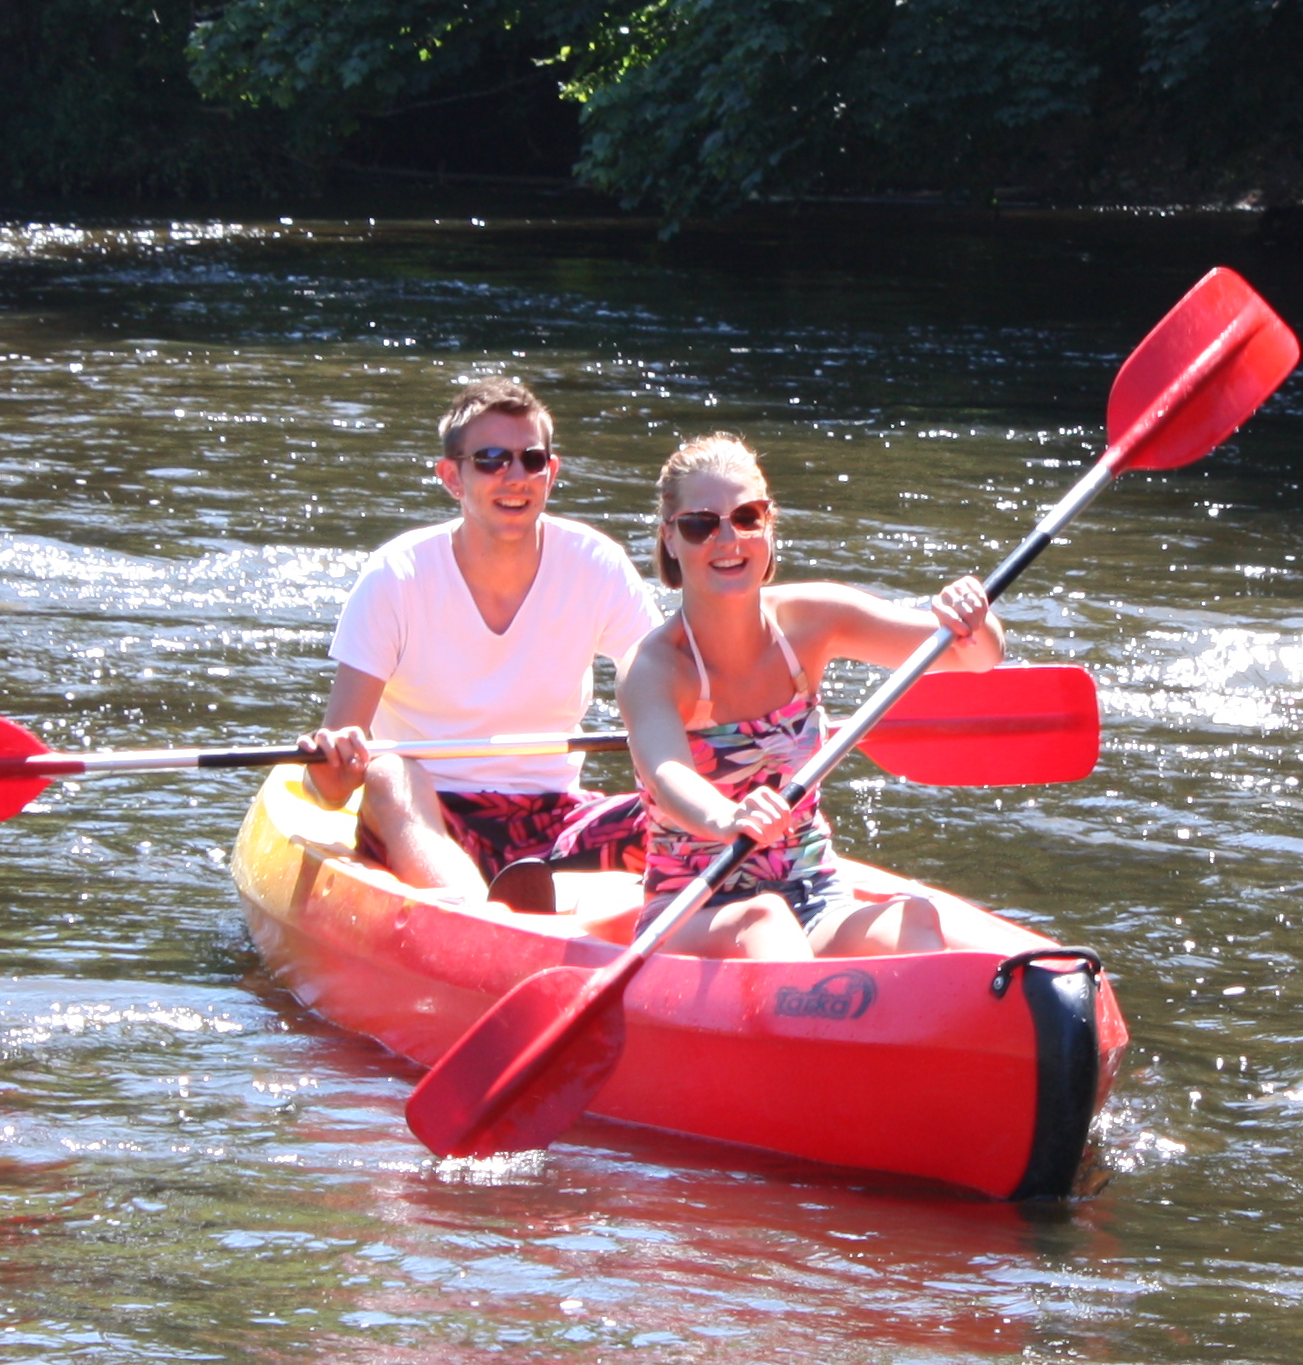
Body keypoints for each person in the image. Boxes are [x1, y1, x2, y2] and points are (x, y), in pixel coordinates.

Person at [620, 433, 1005, 960]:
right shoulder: (654, 668)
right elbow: (668, 777)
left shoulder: (813, 621)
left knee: (914, 918)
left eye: (747, 517)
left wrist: (974, 618)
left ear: (769, 524)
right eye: (701, 524)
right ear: (670, 538)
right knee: (764, 920)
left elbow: (974, 656)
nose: (728, 540)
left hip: (815, 899)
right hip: (694, 909)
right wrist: (727, 817)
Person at [304, 371, 663, 898]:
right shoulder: (395, 576)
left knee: (679, 803)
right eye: (491, 461)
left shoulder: (596, 564)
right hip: (426, 812)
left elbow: (671, 691)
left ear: (551, 471)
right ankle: (479, 915)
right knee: (387, 774)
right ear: (453, 478)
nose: (514, 477)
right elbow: (331, 789)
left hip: (554, 820)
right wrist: (335, 758)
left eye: (531, 460)